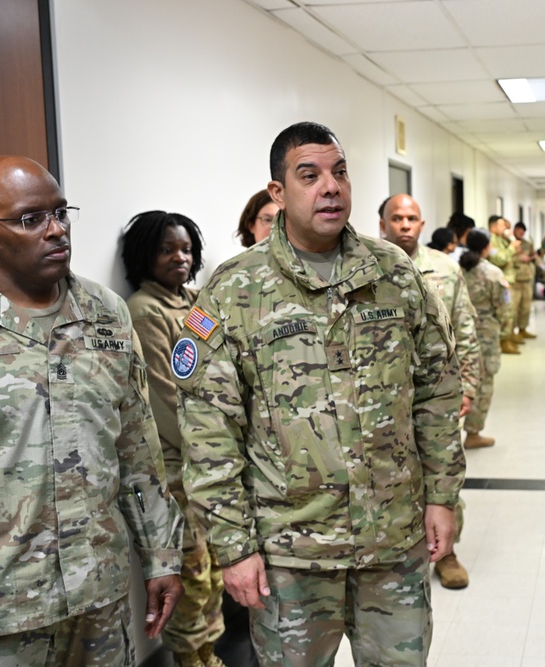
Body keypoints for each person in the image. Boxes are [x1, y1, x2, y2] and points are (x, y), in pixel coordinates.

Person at [175, 122, 465, 667]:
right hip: (291, 554)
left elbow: (437, 390)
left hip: (393, 539)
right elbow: (209, 431)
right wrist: (234, 547)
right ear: (278, 194)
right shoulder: (235, 289)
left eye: (339, 172)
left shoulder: (393, 273)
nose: (330, 187)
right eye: (309, 176)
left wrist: (444, 496)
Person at [0, 156, 183, 666]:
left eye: (61, 213)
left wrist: (161, 557)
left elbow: (137, 450)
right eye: (30, 219)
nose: (56, 230)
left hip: (95, 606)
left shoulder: (107, 314)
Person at [121, 211, 228, 667]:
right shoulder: (145, 310)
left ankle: (208, 650)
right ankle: (190, 656)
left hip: (209, 459)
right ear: (145, 256)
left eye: (185, 249)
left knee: (213, 569)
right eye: (167, 250)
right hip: (179, 467)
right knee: (190, 570)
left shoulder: (192, 301)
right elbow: (165, 399)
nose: (179, 258)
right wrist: (210, 447)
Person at [379, 193, 480, 590]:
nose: (405, 225)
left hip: (438, 394)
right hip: (384, 400)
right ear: (383, 223)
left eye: (412, 218)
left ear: (423, 225)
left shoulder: (445, 270)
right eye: (397, 218)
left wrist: (468, 389)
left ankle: (448, 552)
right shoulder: (366, 268)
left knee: (443, 469)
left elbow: (465, 331)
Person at [459, 229, 511, 450]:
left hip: (459, 331)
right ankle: (473, 433)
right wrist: (504, 327)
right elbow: (504, 307)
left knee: (457, 380)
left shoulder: (457, 270)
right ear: (487, 247)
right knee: (483, 382)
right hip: (486, 333)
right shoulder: (493, 273)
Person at [486, 216, 521, 354]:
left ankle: (508, 337)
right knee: (505, 312)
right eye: (501, 225)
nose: (504, 228)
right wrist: (512, 248)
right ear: (493, 227)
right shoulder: (491, 240)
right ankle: (503, 341)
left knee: (511, 311)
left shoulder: (502, 239)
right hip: (500, 280)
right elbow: (499, 259)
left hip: (508, 279)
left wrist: (510, 239)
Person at [511, 221, 537, 339]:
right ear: (514, 230)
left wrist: (532, 257)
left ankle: (523, 329)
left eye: (523, 232)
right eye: (519, 231)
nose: (520, 234)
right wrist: (519, 258)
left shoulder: (527, 244)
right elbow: (507, 258)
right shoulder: (510, 243)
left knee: (526, 307)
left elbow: (533, 256)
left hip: (527, 278)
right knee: (513, 308)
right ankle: (511, 332)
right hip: (515, 280)